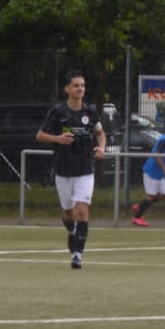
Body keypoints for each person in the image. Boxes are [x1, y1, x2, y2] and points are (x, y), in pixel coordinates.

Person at [36, 68, 106, 270]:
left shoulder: (90, 112)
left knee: (82, 210)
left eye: (82, 85)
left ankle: (77, 254)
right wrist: (57, 138)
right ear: (67, 89)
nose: (80, 89)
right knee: (68, 213)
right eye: (76, 85)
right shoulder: (58, 111)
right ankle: (72, 229)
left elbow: (100, 133)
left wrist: (101, 148)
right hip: (63, 169)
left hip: (85, 169)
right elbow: (40, 135)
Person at [131, 120, 165, 226]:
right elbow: (157, 155)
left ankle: (141, 205)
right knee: (151, 196)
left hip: (159, 173)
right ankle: (137, 217)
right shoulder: (164, 140)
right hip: (152, 172)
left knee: (163, 194)